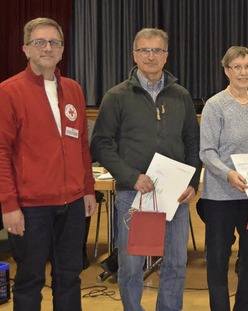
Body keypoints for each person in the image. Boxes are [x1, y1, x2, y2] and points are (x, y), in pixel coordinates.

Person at [90, 28, 201, 311]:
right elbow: (101, 144)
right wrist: (131, 177)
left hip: (175, 196)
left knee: (175, 263)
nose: (150, 56)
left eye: (157, 50)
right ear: (134, 54)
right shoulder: (117, 96)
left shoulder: (181, 95)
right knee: (130, 264)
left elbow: (193, 142)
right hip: (133, 194)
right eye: (144, 50)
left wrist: (193, 182)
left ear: (166, 56)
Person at [0, 17, 97, 310]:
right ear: (25, 49)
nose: (47, 48)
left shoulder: (74, 90)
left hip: (73, 203)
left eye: (54, 42)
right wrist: (9, 206)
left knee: (70, 277)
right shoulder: (8, 91)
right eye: (39, 42)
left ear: (62, 50)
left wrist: (88, 189)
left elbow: (81, 143)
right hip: (31, 207)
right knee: (29, 280)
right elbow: (1, 152)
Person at [199, 46, 248, 311]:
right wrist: (228, 173)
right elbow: (206, 152)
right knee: (218, 259)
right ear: (226, 71)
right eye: (237, 67)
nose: (243, 72)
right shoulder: (215, 105)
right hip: (220, 196)